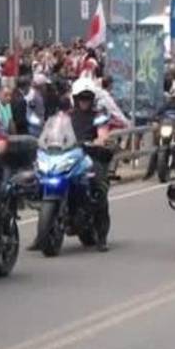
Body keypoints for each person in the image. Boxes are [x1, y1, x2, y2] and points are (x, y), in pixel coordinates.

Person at [67, 78, 113, 252]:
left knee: (99, 187)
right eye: (81, 98)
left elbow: (103, 135)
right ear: (75, 98)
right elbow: (53, 131)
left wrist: (98, 141)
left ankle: (102, 237)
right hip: (69, 156)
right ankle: (44, 233)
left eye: (87, 98)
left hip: (90, 156)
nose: (84, 101)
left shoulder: (98, 115)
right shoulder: (67, 115)